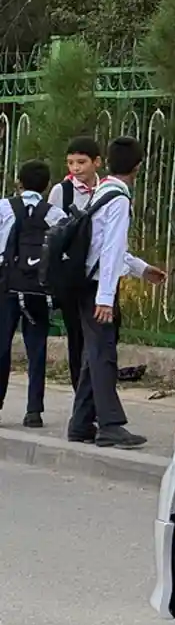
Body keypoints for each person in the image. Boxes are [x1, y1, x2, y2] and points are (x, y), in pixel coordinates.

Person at [68, 136, 166, 449]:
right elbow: (110, 250)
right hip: (98, 286)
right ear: (138, 165)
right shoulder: (118, 198)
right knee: (103, 355)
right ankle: (110, 425)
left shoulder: (103, 191)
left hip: (87, 282)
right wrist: (105, 298)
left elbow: (108, 247)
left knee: (93, 354)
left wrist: (141, 269)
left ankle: (81, 422)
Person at [0, 160, 66, 427]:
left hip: (6, 285)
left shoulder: (4, 207)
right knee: (36, 346)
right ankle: (34, 411)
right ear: (47, 186)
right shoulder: (56, 214)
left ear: (19, 183)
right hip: (37, 289)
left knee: (1, 346)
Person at [47, 135, 106, 389]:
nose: (76, 168)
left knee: (100, 337)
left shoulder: (106, 190)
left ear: (97, 162)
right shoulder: (63, 190)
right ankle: (78, 388)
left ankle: (94, 388)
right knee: (76, 335)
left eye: (81, 162)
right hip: (71, 274)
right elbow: (51, 228)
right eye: (71, 163)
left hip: (99, 272)